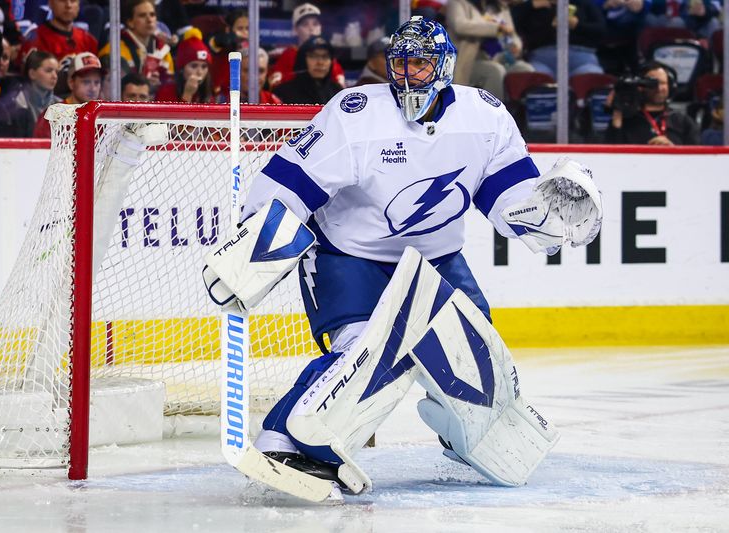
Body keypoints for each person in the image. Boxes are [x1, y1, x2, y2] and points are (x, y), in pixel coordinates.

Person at [202, 17, 601, 497]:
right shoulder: (356, 114)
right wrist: (255, 240)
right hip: (349, 257)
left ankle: (460, 431)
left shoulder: (486, 117)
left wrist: (548, 214)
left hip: (438, 259)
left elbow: (506, 200)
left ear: (446, 65)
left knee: (478, 362)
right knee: (364, 350)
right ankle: (283, 439)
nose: (409, 75)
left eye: (421, 62)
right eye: (401, 63)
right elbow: (289, 185)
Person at [445, 0, 534, 100]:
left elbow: (512, 34)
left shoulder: (500, 6)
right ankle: (494, 112)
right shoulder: (458, 3)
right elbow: (460, 26)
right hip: (470, 61)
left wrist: (516, 46)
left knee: (525, 69)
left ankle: (519, 111)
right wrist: (495, 28)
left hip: (501, 57)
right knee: (495, 71)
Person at [605, 61, 699, 145]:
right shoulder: (626, 121)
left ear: (670, 86)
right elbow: (612, 156)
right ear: (640, 86)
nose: (658, 88)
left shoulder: (683, 122)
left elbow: (697, 159)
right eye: (652, 83)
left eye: (662, 83)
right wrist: (617, 108)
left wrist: (673, 150)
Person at [512, 0, 607, 79]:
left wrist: (577, 25)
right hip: (541, 59)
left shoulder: (583, 4)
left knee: (592, 77)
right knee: (535, 80)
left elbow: (602, 30)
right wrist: (530, 5)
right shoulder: (533, 6)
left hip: (581, 59)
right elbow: (508, 22)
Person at [98, 0, 174, 93]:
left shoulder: (163, 50)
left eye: (152, 15)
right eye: (142, 15)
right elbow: (110, 91)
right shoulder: (114, 50)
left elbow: (170, 85)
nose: (149, 20)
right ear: (130, 22)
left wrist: (160, 85)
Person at [267, 3, 345, 89]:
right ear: (295, 30)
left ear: (320, 28)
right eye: (305, 24)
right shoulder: (288, 55)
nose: (311, 28)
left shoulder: (328, 57)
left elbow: (339, 87)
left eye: (315, 24)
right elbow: (276, 87)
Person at [34, 51, 101, 137]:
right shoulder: (52, 116)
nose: (93, 88)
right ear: (71, 83)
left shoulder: (104, 117)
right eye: (86, 82)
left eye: (97, 82)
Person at [19, 0, 98, 64]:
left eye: (73, 1)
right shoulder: (35, 38)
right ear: (50, 3)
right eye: (62, 0)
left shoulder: (89, 40)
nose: (68, 5)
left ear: (78, 5)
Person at [273, 36, 343, 105]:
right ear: (302, 60)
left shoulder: (338, 92)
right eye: (313, 56)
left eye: (325, 56)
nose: (320, 62)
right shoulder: (283, 92)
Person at [155, 34, 215, 103]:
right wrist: (187, 94)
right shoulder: (166, 92)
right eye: (194, 66)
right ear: (181, 69)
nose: (200, 72)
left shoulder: (207, 96)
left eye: (204, 67)